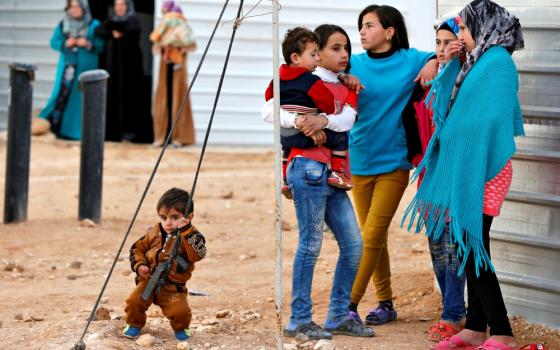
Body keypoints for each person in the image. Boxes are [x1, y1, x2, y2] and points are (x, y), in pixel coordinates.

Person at [402, 1, 524, 349]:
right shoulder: (474, 62)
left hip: (486, 167)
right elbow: (440, 108)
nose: (463, 37)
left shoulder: (498, 63)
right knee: (463, 244)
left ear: (485, 27)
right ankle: (475, 326)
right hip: (467, 166)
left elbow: (492, 121)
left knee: (473, 244)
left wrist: (465, 143)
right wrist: (451, 61)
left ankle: (502, 332)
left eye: (467, 31)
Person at [262, 24, 373, 339]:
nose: (344, 54)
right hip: (309, 167)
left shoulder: (340, 83)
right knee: (310, 245)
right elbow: (268, 109)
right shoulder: (305, 81)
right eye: (334, 48)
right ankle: (299, 319)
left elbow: (348, 118)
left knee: (353, 245)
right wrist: (299, 119)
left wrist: (323, 119)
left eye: (346, 48)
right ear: (316, 54)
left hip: (332, 174)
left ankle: (338, 315)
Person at [345, 4, 438, 326]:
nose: (362, 31)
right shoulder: (353, 64)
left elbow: (437, 55)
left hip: (393, 163)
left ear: (389, 31)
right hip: (358, 160)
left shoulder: (410, 59)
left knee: (369, 237)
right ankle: (385, 303)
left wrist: (433, 64)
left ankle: (346, 305)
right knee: (374, 236)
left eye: (369, 25)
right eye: (361, 25)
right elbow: (327, 74)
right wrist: (345, 76)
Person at [411, 17, 467, 342]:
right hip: (430, 177)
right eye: (438, 44)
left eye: (449, 42)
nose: (443, 50)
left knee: (453, 246)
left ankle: (454, 314)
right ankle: (451, 309)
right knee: (436, 246)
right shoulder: (432, 78)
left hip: (455, 175)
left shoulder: (466, 79)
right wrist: (432, 60)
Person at [264, 27, 352, 199]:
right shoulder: (311, 80)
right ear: (295, 58)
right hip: (310, 135)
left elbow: (269, 98)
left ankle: (285, 179)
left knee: (286, 149)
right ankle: (338, 172)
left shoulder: (277, 78)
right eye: (313, 55)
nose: (317, 58)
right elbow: (328, 105)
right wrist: (326, 113)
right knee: (340, 137)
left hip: (287, 133)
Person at [123, 187, 207, 341]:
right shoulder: (154, 232)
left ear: (189, 217)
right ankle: (133, 324)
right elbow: (137, 249)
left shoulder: (191, 236)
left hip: (172, 287)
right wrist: (140, 265)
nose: (168, 223)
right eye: (163, 217)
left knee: (180, 311)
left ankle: (181, 329)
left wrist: (186, 231)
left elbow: (198, 255)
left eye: (174, 217)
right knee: (133, 302)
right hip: (148, 280)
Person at [38, 0, 104, 140]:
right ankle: (56, 128)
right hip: (67, 70)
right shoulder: (64, 24)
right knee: (60, 95)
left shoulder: (94, 25)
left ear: (84, 8)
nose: (74, 10)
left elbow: (102, 46)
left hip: (86, 69)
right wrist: (65, 43)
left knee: (80, 99)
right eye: (72, 6)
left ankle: (77, 133)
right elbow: (54, 42)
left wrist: (87, 44)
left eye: (77, 6)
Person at [95, 0, 153, 143]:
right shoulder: (111, 21)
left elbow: (130, 28)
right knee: (113, 99)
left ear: (127, 7)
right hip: (113, 70)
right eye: (117, 5)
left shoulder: (133, 20)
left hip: (130, 71)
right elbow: (99, 30)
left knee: (130, 99)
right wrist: (112, 31)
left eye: (122, 5)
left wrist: (114, 30)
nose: (119, 8)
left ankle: (130, 132)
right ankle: (114, 133)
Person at [150, 1, 197, 147]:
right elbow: (156, 46)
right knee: (165, 101)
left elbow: (191, 45)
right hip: (166, 69)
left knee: (178, 100)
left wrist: (179, 47)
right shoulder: (165, 29)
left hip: (178, 70)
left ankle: (179, 137)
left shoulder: (182, 27)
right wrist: (164, 45)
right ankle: (162, 136)